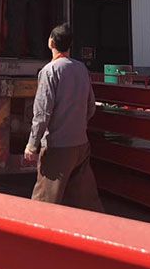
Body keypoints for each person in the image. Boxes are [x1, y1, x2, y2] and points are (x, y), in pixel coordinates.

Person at [24, 23, 103, 211]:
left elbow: (42, 113)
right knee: (85, 202)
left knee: (44, 204)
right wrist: (76, 126)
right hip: (81, 145)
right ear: (69, 45)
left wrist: (32, 145)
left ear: (51, 42)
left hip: (57, 147)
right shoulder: (81, 69)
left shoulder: (49, 71)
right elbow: (91, 106)